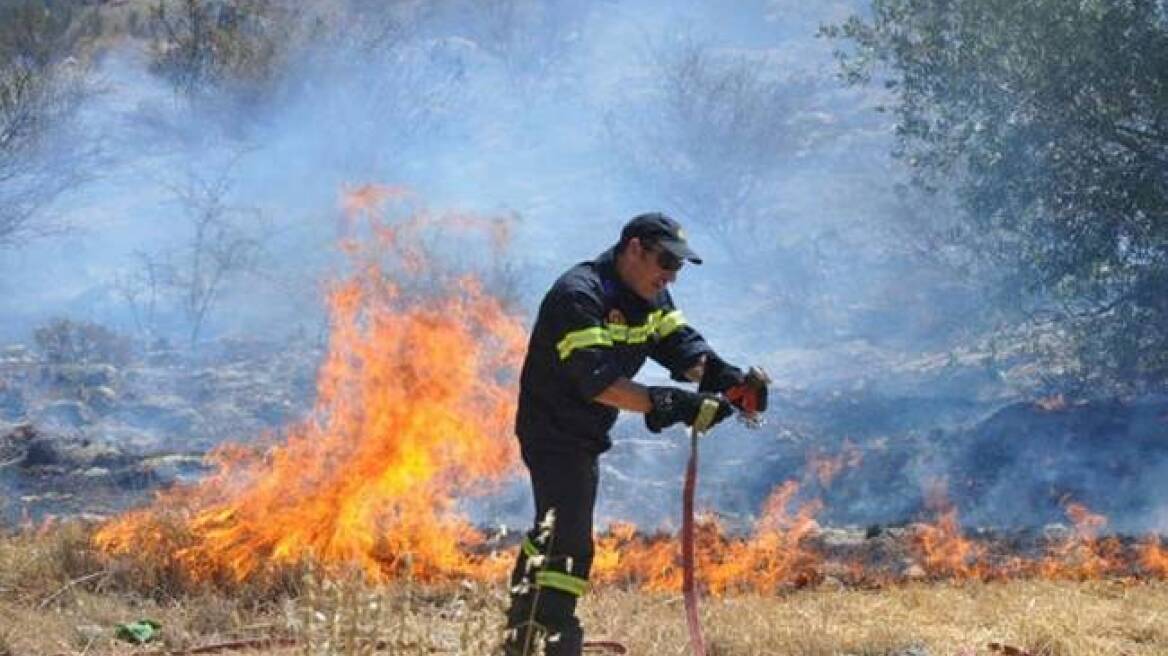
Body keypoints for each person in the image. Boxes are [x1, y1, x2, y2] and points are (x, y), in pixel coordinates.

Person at [500, 212, 769, 656]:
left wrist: (727, 380)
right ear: (634, 248)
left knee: (555, 530)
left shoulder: (651, 295)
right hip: (552, 429)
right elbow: (599, 383)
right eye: (665, 261)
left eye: (678, 267)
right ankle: (549, 635)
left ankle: (524, 635)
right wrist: (673, 404)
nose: (670, 275)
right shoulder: (579, 295)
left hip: (588, 431)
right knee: (567, 535)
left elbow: (681, 348)